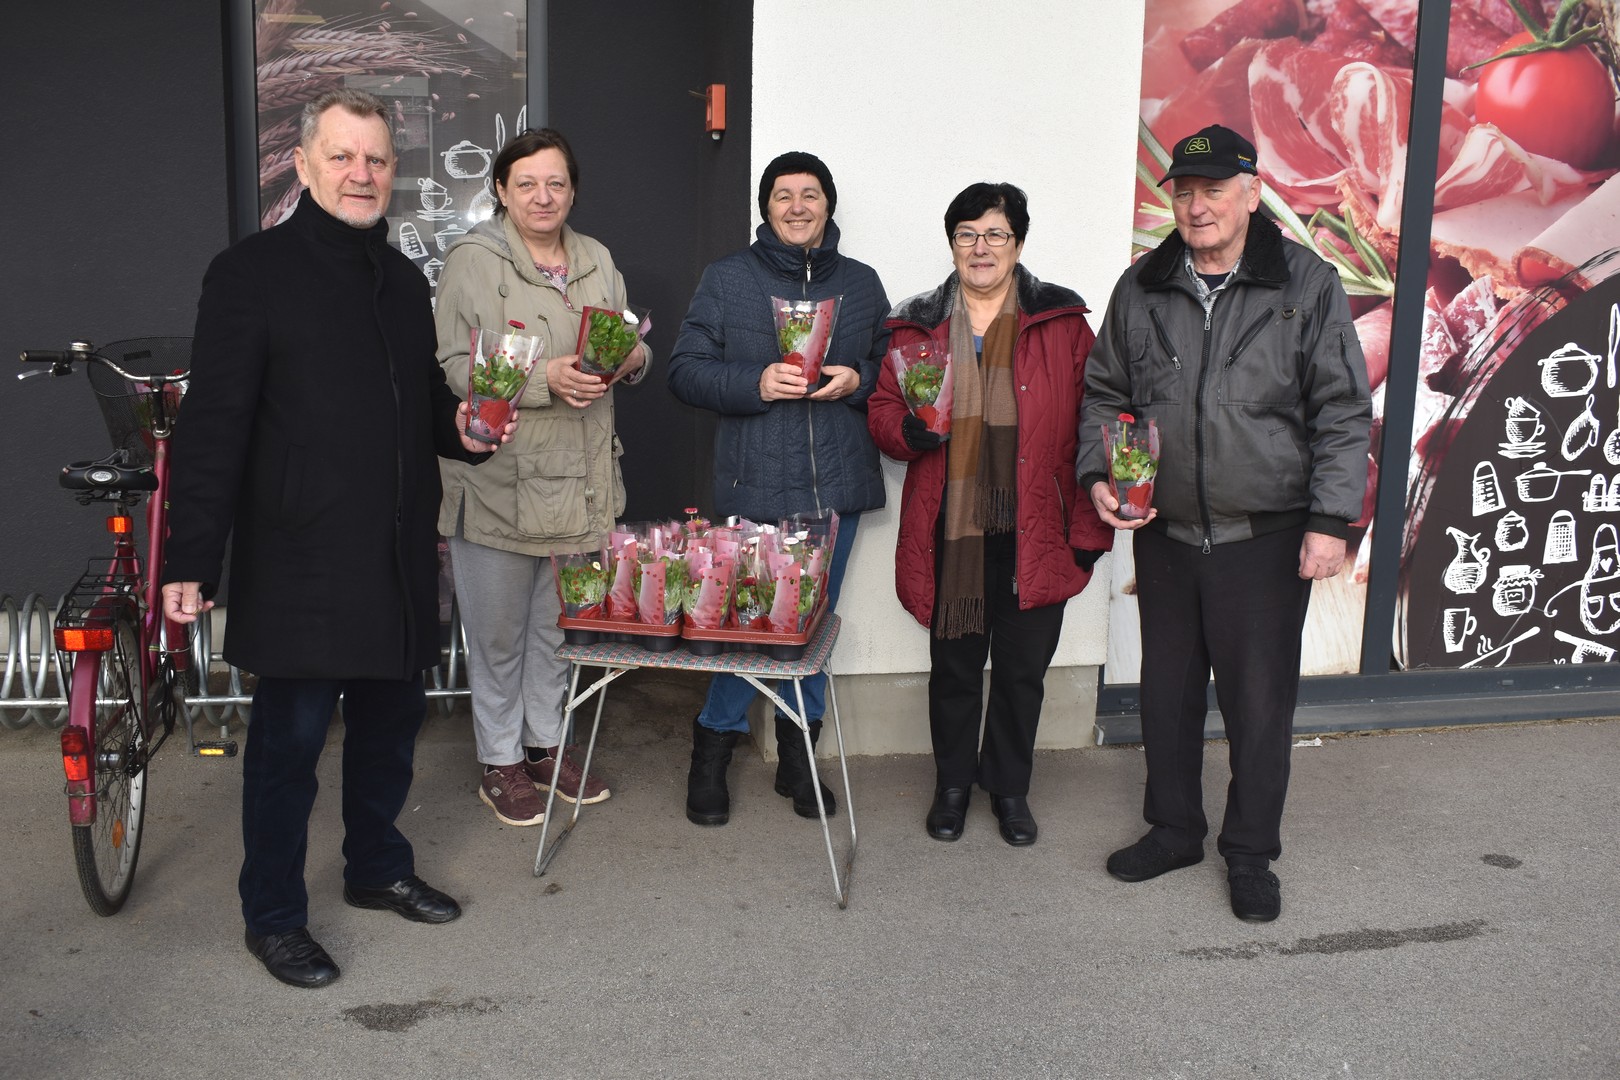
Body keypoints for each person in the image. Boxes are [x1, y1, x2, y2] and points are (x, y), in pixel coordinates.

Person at [161, 89, 512, 989]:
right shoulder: (248, 273)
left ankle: (376, 868)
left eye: (379, 160)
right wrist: (190, 560)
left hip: (396, 555)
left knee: (391, 730)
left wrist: (461, 428)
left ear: (394, 172)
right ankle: (273, 916)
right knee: (288, 752)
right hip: (301, 561)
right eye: (345, 157)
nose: (364, 174)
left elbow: (417, 400)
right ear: (305, 165)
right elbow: (212, 429)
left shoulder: (401, 279)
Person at [1078, 124, 1371, 921]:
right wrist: (1101, 472)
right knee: (1165, 697)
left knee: (1258, 706)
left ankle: (1250, 854)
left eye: (1212, 189)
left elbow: (1342, 409)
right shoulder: (1142, 286)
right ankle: (1173, 829)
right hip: (1168, 532)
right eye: (1183, 190)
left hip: (1265, 536)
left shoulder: (1303, 282)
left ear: (1252, 191)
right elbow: (1105, 393)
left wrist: (1330, 519)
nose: (1196, 205)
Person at [868, 183, 1111, 846]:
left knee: (1021, 672)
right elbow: (884, 411)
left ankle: (1008, 789)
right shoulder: (915, 325)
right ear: (951, 244)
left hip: (1038, 527)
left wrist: (1089, 532)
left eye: (995, 234)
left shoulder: (1062, 323)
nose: (981, 247)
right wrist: (908, 436)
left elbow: (1098, 423)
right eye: (968, 234)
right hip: (952, 532)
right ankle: (951, 786)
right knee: (952, 670)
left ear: (1019, 245)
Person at [667, 151, 889, 826]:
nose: (797, 206)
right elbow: (685, 371)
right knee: (745, 630)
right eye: (783, 195)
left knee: (811, 631)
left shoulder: (861, 282)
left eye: (811, 194)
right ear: (765, 208)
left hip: (835, 492)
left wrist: (861, 380)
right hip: (755, 487)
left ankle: (798, 756)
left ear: (828, 205)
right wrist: (754, 382)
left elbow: (894, 366)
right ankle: (712, 754)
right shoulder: (728, 279)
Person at [435, 128, 646, 828]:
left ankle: (545, 745)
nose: (542, 196)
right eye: (526, 183)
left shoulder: (596, 257)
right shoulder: (473, 260)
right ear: (500, 189)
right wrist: (541, 380)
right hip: (502, 476)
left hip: (582, 476)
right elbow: (453, 368)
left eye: (555, 183)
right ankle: (499, 759)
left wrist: (630, 358)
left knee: (559, 628)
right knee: (497, 633)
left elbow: (624, 337)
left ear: (573, 189)